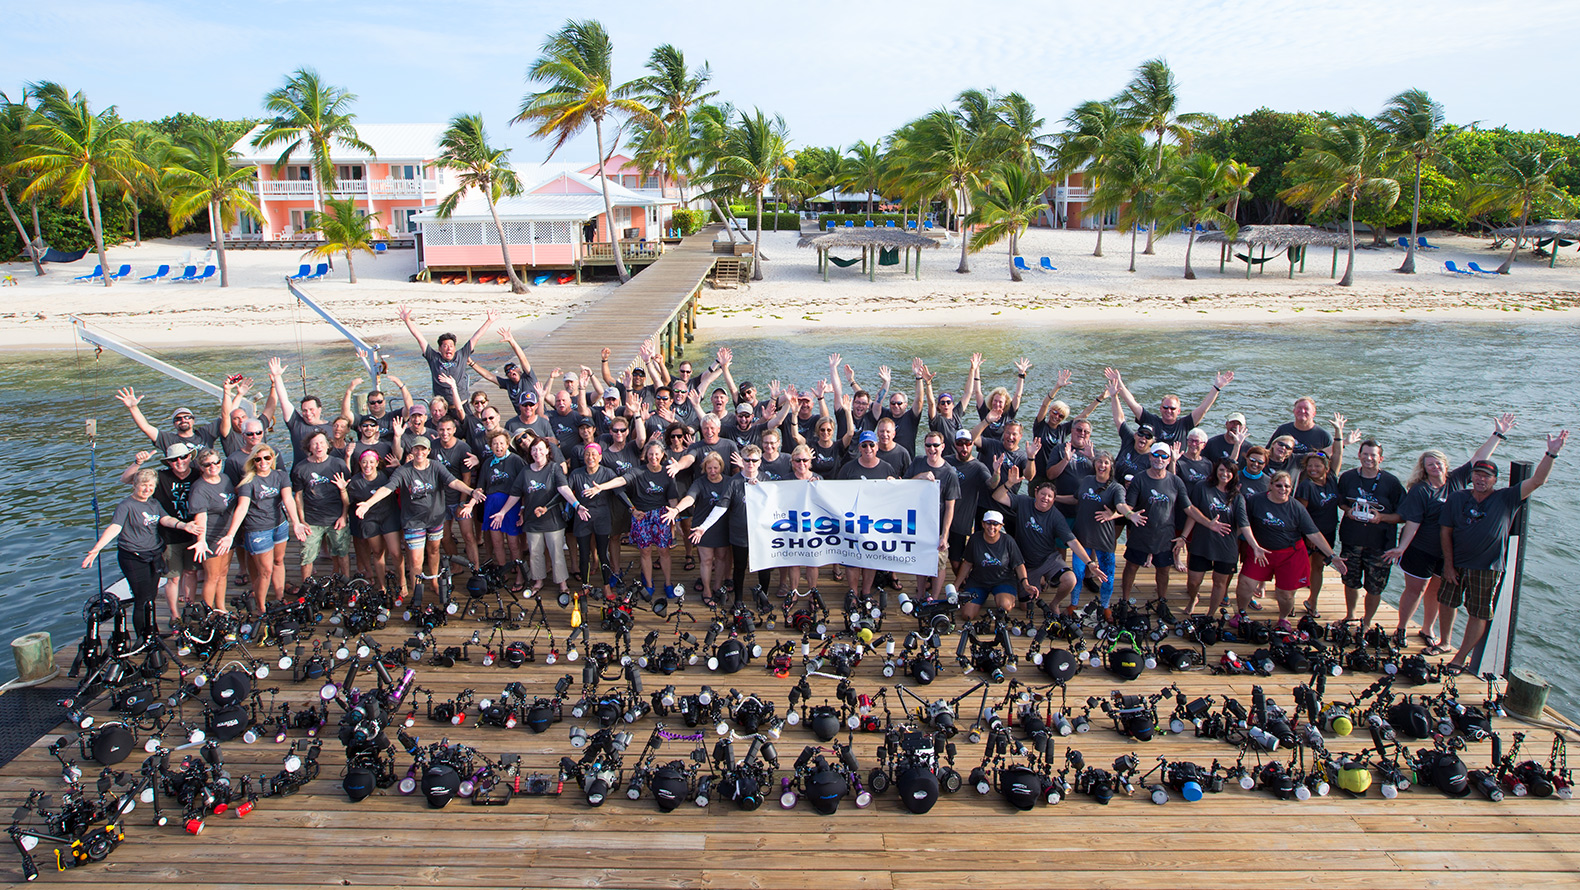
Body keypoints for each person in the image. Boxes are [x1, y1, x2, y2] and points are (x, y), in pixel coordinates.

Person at [1439, 431, 1567, 673]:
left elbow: (1537, 480)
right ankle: (1445, 642)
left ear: (1495, 480)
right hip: (1456, 563)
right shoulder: (1457, 498)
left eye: (1486, 476)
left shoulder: (1507, 498)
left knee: (1478, 612)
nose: (1480, 479)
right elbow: (1445, 531)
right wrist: (1448, 563)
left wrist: (1551, 453)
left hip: (1487, 567)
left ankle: (1460, 657)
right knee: (1446, 602)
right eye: (1477, 474)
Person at [1383, 415, 1514, 651]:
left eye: (1438, 463)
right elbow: (1412, 523)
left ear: (1446, 464)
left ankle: (1427, 629)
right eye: (1429, 464)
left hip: (1447, 552)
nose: (1435, 467)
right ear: (1424, 468)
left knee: (1437, 591)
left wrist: (1497, 435)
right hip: (1420, 549)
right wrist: (1401, 548)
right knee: (1416, 590)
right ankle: (1401, 628)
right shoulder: (1420, 490)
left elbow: (1478, 459)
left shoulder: (1457, 480)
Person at [354, 436, 483, 611]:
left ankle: (434, 581)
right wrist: (368, 503)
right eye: (416, 449)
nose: (419, 452)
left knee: (434, 550)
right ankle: (417, 592)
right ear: (412, 451)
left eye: (423, 449)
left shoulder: (436, 466)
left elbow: (453, 481)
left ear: (429, 451)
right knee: (415, 560)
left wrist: (471, 491)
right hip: (413, 521)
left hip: (436, 518)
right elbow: (387, 488)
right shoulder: (404, 471)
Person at [82, 469, 200, 639]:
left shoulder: (153, 503)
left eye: (151, 486)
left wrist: (183, 525)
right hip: (133, 556)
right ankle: (143, 638)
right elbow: (115, 528)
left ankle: (153, 633)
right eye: (143, 485)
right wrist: (97, 549)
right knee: (142, 598)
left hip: (153, 554)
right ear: (135, 485)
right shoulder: (126, 506)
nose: (147, 489)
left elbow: (165, 519)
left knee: (151, 596)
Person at [1235, 471, 1347, 629]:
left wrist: (1332, 555)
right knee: (1245, 584)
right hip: (1260, 551)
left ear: (1291, 488)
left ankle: (1283, 618)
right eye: (1279, 485)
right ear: (1271, 485)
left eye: (1287, 486)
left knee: (1285, 594)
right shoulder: (1256, 501)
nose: (1283, 489)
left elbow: (1313, 533)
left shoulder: (1296, 507)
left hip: (1290, 554)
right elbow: (1242, 525)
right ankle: (1241, 613)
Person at [1121, 442, 1225, 605]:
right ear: (1150, 456)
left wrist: (1208, 523)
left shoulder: (1176, 482)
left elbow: (1189, 508)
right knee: (1131, 567)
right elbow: (1128, 506)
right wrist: (1129, 514)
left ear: (1169, 460)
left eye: (1164, 456)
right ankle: (1125, 601)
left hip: (1165, 535)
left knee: (1163, 571)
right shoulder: (1139, 479)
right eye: (1156, 455)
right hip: (1141, 534)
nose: (1159, 459)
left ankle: (1162, 601)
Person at [990, 468, 1102, 610]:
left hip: (1049, 559)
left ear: (1054, 499)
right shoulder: (1024, 502)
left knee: (1070, 579)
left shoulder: (1056, 517)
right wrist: (1009, 484)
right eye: (1043, 494)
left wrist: (1090, 563)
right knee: (1025, 607)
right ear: (1036, 492)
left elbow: (1072, 542)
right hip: (1026, 564)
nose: (1045, 498)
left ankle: (1054, 603)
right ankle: (1041, 580)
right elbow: (997, 497)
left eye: (1050, 496)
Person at [216, 445, 308, 614]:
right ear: (253, 462)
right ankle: (261, 607)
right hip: (258, 529)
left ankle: (279, 599)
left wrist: (296, 522)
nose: (263, 462)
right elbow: (242, 507)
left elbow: (288, 499)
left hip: (279, 525)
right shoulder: (248, 481)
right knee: (265, 571)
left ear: (272, 459)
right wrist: (230, 534)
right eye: (258, 459)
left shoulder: (280, 475)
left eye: (267, 458)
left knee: (279, 561)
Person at [119, 443, 200, 630]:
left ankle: (188, 608)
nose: (179, 462)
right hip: (169, 536)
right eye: (174, 459)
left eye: (183, 457)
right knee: (173, 578)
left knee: (191, 572)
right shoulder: (161, 476)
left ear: (190, 457)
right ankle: (175, 615)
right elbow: (127, 479)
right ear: (169, 462)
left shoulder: (197, 474)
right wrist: (137, 463)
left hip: (193, 532)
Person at [490, 435, 578, 598]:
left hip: (553, 520)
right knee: (535, 552)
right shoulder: (525, 471)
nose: (537, 452)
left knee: (556, 552)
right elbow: (515, 494)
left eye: (540, 449)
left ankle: (562, 583)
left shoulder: (553, 468)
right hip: (532, 521)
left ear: (547, 451)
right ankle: (538, 581)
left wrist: (576, 504)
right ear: (530, 452)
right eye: (534, 449)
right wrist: (502, 512)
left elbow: (563, 490)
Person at [1336, 439, 1406, 628]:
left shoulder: (1391, 482)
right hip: (1352, 540)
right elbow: (1340, 501)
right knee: (1350, 580)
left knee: (1375, 586)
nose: (1368, 458)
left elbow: (1403, 516)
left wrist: (1381, 518)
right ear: (1359, 455)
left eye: (1373, 455)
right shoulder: (1348, 477)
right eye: (1365, 454)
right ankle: (1350, 616)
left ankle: (1366, 622)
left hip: (1380, 543)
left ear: (1381, 458)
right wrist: (1347, 510)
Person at [600, 438, 681, 598]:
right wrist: (602, 487)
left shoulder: (668, 473)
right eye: (650, 454)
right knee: (645, 552)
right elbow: (622, 480)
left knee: (664, 551)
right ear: (646, 455)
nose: (653, 457)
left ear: (662, 455)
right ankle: (649, 584)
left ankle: (668, 583)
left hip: (661, 515)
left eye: (656, 454)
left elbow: (672, 499)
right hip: (642, 515)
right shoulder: (638, 471)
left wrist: (676, 519)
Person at [1293, 413, 1357, 617]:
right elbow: (1302, 513)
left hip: (1329, 531)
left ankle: (1312, 601)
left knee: (1318, 567)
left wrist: (1339, 432)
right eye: (1310, 466)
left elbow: (1337, 455)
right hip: (1309, 534)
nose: (1313, 469)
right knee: (1301, 567)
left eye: (1317, 465)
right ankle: (1289, 599)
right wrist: (1310, 536)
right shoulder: (1305, 486)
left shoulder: (1331, 479)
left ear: (1325, 467)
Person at [666, 452, 734, 606]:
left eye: (715, 468)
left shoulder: (729, 482)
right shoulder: (699, 482)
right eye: (709, 468)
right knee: (707, 559)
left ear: (721, 467)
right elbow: (690, 498)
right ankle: (707, 590)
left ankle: (718, 586)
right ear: (704, 468)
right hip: (701, 526)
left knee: (722, 557)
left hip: (722, 526)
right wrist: (676, 510)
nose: (712, 471)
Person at [1181, 458, 1245, 616]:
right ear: (1216, 470)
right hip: (1202, 541)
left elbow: (1243, 525)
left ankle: (1210, 614)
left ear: (1234, 474)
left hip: (1226, 546)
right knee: (1194, 581)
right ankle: (1193, 598)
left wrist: (1251, 544)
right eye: (1222, 470)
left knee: (1219, 582)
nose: (1225, 474)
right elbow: (1192, 512)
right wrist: (1184, 536)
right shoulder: (1202, 487)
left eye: (1229, 471)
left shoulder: (1237, 496)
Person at [1105, 366, 1234, 444]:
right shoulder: (1151, 421)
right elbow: (1132, 403)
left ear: (1178, 411)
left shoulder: (1184, 425)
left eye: (1172, 408)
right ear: (1161, 409)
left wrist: (1216, 388)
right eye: (1165, 407)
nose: (1169, 411)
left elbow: (1203, 409)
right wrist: (1119, 383)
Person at [905, 431, 960, 601]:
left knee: (939, 563)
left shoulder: (949, 473)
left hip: (937, 526)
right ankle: (920, 594)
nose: (932, 449)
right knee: (920, 561)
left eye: (936, 445)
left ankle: (934, 598)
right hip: (918, 524)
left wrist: (945, 535)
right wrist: (919, 477)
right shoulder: (918, 462)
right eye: (928, 445)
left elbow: (950, 507)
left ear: (942, 447)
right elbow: (904, 486)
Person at [398, 304, 499, 396]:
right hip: (442, 405)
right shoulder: (433, 358)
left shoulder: (462, 355)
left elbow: (476, 337)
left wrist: (489, 321)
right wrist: (407, 320)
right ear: (440, 349)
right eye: (445, 346)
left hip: (461, 402)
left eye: (451, 345)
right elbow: (419, 338)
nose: (449, 348)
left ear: (455, 348)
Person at [953, 510, 1037, 621]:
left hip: (1003, 580)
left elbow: (1019, 564)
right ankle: (979, 599)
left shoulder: (1008, 541)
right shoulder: (974, 539)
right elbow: (967, 563)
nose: (991, 527)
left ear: (1001, 526)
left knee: (1004, 606)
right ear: (983, 524)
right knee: (967, 615)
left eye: (995, 524)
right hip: (978, 581)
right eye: (988, 523)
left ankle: (1001, 598)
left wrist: (1025, 584)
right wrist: (956, 585)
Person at [291, 431, 352, 581]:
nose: (319, 447)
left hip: (336, 518)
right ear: (309, 447)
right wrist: (301, 520)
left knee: (341, 552)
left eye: (322, 443)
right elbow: (298, 496)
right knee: (307, 556)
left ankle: (345, 582)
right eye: (315, 444)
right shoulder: (300, 468)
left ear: (328, 445)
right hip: (312, 520)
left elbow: (346, 492)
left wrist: (344, 516)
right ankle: (307, 587)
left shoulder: (338, 464)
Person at [1071, 453, 1126, 617]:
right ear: (1094, 464)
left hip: (1104, 540)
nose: (1102, 465)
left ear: (1111, 466)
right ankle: (1073, 605)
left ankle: (1105, 606)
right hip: (1083, 537)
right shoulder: (1087, 480)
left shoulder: (1116, 487)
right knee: (1078, 574)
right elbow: (1075, 499)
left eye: (1106, 463)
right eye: (1099, 462)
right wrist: (1053, 499)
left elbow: (1122, 505)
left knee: (1107, 576)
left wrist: (1127, 514)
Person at [342, 449, 401, 599]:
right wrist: (343, 490)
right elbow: (348, 503)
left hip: (388, 515)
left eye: (371, 462)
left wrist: (398, 465)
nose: (367, 465)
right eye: (364, 462)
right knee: (377, 552)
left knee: (395, 552)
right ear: (360, 464)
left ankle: (403, 583)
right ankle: (382, 585)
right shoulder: (355, 481)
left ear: (377, 463)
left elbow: (402, 480)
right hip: (369, 519)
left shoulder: (386, 475)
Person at [268, 357, 349, 466]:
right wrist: (277, 377)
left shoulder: (333, 428)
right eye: (304, 410)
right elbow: (284, 401)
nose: (308, 413)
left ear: (319, 410)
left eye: (311, 409)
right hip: (302, 475)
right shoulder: (296, 424)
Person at [568, 443, 624, 595]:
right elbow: (565, 493)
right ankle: (585, 586)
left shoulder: (607, 473)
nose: (590, 457)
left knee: (603, 553)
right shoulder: (576, 474)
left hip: (602, 518)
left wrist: (632, 508)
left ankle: (606, 585)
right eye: (587, 454)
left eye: (594, 454)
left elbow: (619, 492)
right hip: (582, 518)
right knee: (584, 554)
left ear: (600, 457)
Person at [186, 448, 236, 613]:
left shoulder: (225, 479)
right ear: (201, 467)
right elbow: (201, 517)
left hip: (227, 536)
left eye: (216, 462)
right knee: (212, 577)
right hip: (211, 538)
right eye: (207, 465)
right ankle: (208, 614)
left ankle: (220, 609)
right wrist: (201, 541)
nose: (213, 466)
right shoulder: (199, 488)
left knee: (223, 574)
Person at [476, 430, 527, 586]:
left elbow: (524, 486)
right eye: (495, 444)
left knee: (513, 543)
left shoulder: (516, 460)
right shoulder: (487, 463)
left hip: (510, 506)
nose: (498, 447)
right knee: (497, 542)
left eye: (501, 443)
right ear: (490, 446)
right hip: (492, 507)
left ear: (507, 444)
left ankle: (520, 573)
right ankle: (502, 573)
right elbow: (481, 487)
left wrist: (523, 509)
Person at [115, 387, 219, 452]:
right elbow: (145, 427)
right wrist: (133, 408)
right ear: (174, 424)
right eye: (178, 418)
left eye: (187, 417)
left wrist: (229, 391)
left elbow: (226, 417)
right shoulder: (168, 439)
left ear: (193, 420)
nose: (183, 420)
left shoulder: (205, 433)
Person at [1269, 397, 1333, 457]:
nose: (1302, 411)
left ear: (1314, 413)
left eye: (1306, 409)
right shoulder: (1283, 430)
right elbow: (1268, 452)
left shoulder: (1324, 436)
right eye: (1299, 408)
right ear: (1294, 411)